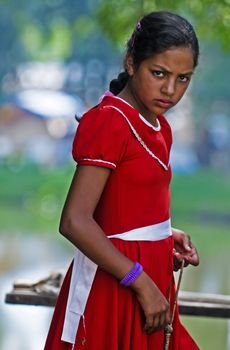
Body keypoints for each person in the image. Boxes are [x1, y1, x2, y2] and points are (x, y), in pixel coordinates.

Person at [44, 10, 200, 350]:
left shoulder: (161, 127)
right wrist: (140, 281)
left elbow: (124, 211)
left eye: (183, 78)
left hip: (151, 282)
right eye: (159, 73)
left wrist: (162, 237)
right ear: (131, 62)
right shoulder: (110, 122)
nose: (171, 89)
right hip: (116, 287)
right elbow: (74, 221)